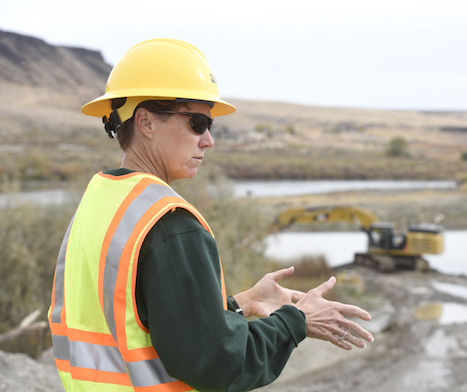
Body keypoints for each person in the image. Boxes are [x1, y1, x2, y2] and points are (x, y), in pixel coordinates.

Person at [48, 38, 373, 392]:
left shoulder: (101, 202)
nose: (208, 140)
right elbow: (218, 364)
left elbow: (143, 325)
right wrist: (297, 321)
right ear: (145, 122)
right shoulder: (167, 222)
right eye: (197, 122)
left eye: (210, 126)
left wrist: (237, 305)